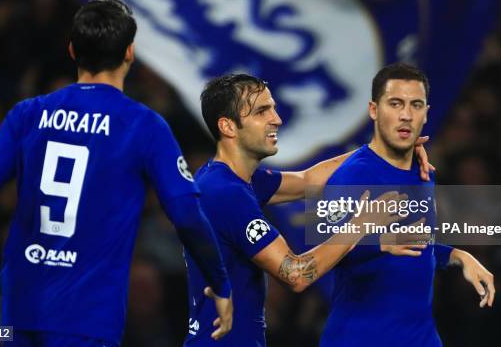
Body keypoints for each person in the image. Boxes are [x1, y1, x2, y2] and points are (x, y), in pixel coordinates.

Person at [0, 0, 233, 347]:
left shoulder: (29, 114)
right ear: (129, 53)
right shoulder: (143, 126)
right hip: (87, 320)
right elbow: (187, 214)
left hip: (20, 316)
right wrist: (219, 281)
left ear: (72, 51)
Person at [183, 73, 433, 346]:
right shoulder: (226, 194)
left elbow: (309, 180)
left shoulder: (234, 180)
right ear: (228, 126)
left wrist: (383, 148)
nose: (276, 119)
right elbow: (296, 274)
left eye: (273, 108)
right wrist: (361, 224)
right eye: (262, 111)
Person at [320, 62, 495, 347]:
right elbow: (324, 255)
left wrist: (457, 256)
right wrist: (376, 241)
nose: (406, 115)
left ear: (426, 113)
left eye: (416, 105)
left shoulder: (424, 173)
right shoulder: (353, 175)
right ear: (374, 110)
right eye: (395, 103)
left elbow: (415, 243)